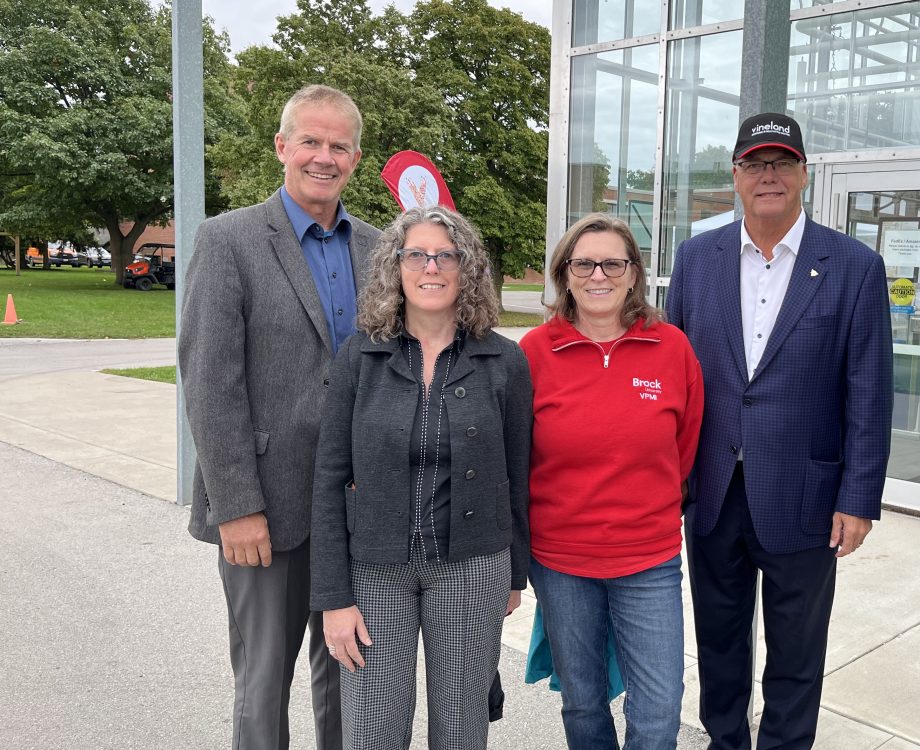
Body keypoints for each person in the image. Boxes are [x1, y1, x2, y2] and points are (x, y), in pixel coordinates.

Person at [665, 113, 892, 748]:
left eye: (782, 164)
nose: (769, 176)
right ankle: (726, 740)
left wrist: (858, 498)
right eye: (755, 165)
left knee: (797, 649)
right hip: (711, 491)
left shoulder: (853, 266)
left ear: (803, 175)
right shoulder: (696, 258)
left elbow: (869, 393)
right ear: (735, 176)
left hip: (807, 496)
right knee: (719, 638)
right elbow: (674, 373)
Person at [180, 84, 379, 750]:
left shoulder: (380, 250)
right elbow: (210, 381)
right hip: (265, 507)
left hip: (357, 509)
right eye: (311, 142)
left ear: (356, 157)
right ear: (282, 147)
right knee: (263, 684)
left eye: (338, 145)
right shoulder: (229, 239)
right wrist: (235, 504)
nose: (324, 157)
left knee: (348, 677)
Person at [310, 205, 532, 749]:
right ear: (396, 267)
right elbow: (329, 477)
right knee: (373, 727)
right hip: (375, 570)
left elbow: (517, 473)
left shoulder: (503, 362)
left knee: (461, 725)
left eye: (445, 255)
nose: (430, 267)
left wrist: (513, 575)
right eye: (417, 255)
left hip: (473, 565)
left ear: (467, 269)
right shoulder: (360, 358)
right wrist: (334, 598)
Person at [519, 213, 704, 749]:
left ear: (633, 273)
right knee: (583, 703)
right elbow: (517, 454)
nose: (598, 274)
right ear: (565, 273)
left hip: (649, 559)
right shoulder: (533, 352)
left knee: (659, 710)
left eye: (612, 263)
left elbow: (685, 448)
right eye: (583, 263)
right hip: (561, 563)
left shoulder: (671, 348)